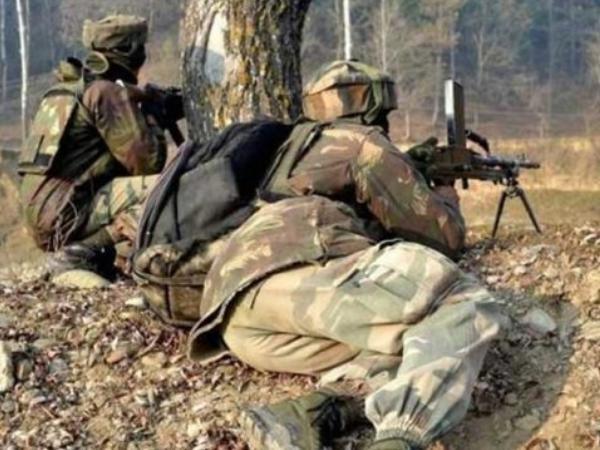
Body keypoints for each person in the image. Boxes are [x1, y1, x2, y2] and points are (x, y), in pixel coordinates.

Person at [185, 61, 506, 450]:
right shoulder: (361, 143)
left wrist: (410, 166)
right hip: (297, 275)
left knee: (415, 342)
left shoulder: (286, 149)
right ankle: (399, 440)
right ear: (374, 107)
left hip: (234, 319)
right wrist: (444, 195)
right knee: (460, 303)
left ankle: (308, 413)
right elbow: (442, 239)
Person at [18, 15, 167, 280]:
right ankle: (82, 252)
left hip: (43, 216)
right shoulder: (105, 93)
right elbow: (148, 163)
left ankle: (94, 255)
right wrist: (153, 117)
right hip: (66, 214)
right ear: (131, 52)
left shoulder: (66, 91)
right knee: (169, 187)